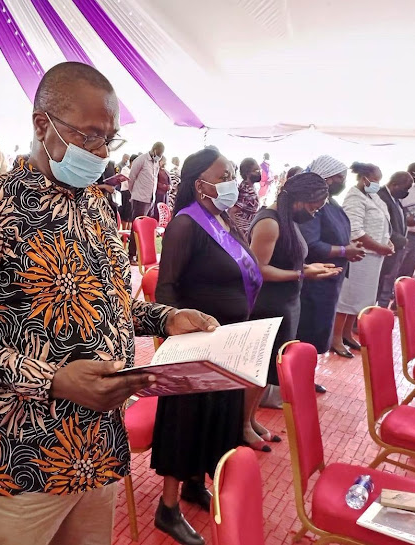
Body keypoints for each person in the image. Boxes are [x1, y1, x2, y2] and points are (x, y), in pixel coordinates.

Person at [0, 61, 218, 545]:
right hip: (17, 451)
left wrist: (165, 317)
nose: (101, 152)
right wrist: (54, 379)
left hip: (95, 444)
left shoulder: (97, 206)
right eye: (89, 136)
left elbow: (107, 307)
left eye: (109, 138)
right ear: (42, 125)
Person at [152, 148, 260, 545]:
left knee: (218, 417)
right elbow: (166, 287)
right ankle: (167, 507)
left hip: (227, 344)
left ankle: (195, 483)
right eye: (226, 173)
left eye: (234, 172)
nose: (235, 180)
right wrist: (176, 341)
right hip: (196, 345)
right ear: (201, 184)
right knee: (186, 421)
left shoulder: (223, 219)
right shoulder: (186, 225)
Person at [249, 173, 339, 412]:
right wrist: (301, 274)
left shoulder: (287, 221)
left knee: (270, 365)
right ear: (299, 199)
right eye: (313, 207)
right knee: (261, 367)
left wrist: (309, 268)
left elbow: (286, 260)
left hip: (286, 302)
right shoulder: (269, 222)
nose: (314, 213)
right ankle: (245, 423)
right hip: (268, 304)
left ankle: (250, 420)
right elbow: (259, 269)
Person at [297, 156, 365, 381]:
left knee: (318, 330)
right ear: (327, 178)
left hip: (329, 278)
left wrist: (348, 249)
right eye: (340, 178)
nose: (343, 182)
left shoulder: (330, 202)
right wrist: (345, 251)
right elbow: (311, 244)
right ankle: (298, 380)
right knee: (308, 331)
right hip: (316, 279)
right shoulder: (313, 205)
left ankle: (306, 378)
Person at [330, 163, 392, 356]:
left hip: (373, 259)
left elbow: (383, 222)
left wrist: (387, 242)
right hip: (359, 256)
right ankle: (336, 338)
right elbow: (355, 230)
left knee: (360, 300)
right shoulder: (354, 197)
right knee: (347, 299)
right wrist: (379, 247)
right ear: (363, 178)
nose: (377, 185)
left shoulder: (373, 196)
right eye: (374, 181)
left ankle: (348, 333)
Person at [376, 171, 413, 308]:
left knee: (384, 282)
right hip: (384, 248)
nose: (407, 192)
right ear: (394, 184)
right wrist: (400, 240)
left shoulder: (396, 200)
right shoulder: (381, 197)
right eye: (405, 188)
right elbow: (383, 226)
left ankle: (378, 311)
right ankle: (364, 319)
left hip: (395, 249)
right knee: (378, 283)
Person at [128, 142, 164, 262]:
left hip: (150, 199)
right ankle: (131, 254)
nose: (159, 156)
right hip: (139, 199)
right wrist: (133, 193)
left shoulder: (156, 163)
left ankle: (141, 255)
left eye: (161, 155)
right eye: (158, 153)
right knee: (136, 229)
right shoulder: (141, 159)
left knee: (146, 229)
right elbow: (131, 177)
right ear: (153, 150)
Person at [228, 157, 261, 237]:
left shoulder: (250, 187)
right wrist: (237, 232)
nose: (259, 173)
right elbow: (232, 211)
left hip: (247, 229)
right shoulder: (245, 190)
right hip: (243, 231)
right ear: (247, 173)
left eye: (259, 170)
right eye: (256, 170)